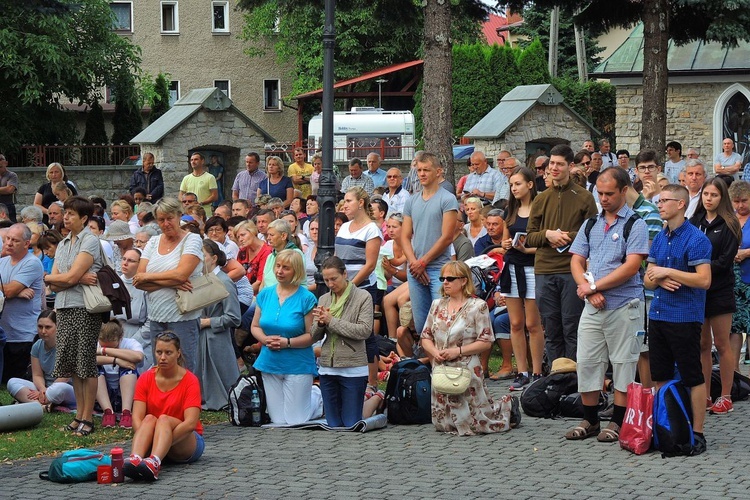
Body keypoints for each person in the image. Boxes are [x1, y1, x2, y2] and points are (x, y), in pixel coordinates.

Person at [565, 167, 649, 442]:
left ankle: (617, 421)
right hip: (593, 305)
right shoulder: (590, 223)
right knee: (587, 361)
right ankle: (589, 420)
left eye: (609, 193)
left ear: (624, 191)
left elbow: (632, 266)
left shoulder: (635, 224)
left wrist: (594, 287)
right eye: (600, 193)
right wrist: (589, 292)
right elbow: (576, 260)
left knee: (624, 363)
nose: (603, 198)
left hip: (625, 305)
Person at [645, 183, 712, 456]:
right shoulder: (660, 236)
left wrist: (665, 272)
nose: (659, 205)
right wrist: (659, 276)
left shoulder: (696, 238)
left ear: (681, 204)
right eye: (658, 201)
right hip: (658, 313)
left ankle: (697, 433)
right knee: (659, 375)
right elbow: (648, 280)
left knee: (691, 376)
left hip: (684, 317)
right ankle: (667, 427)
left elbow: (704, 280)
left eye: (664, 200)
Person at [420, 261, 515, 435]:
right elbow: (425, 336)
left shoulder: (478, 306)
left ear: (464, 281)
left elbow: (486, 342)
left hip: (466, 365)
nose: (445, 282)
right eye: (443, 278)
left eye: (450, 278)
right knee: (443, 425)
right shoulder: (436, 304)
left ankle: (506, 407)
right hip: (441, 366)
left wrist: (457, 351)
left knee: (476, 425)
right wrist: (435, 353)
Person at [526, 144, 597, 363]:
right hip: (544, 270)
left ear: (571, 166)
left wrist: (568, 236)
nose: (554, 168)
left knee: (573, 327)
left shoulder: (584, 197)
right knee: (552, 328)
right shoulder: (540, 198)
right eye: (552, 164)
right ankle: (556, 380)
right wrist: (547, 235)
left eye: (560, 164)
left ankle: (577, 382)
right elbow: (529, 237)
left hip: (571, 271)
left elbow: (593, 233)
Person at [43, 196, 105, 437]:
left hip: (85, 308)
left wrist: (66, 278)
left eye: (70, 214)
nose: (65, 217)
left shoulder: (89, 241)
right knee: (73, 365)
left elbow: (65, 278)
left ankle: (88, 418)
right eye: (65, 213)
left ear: (84, 218)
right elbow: (54, 281)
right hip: (65, 307)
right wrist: (70, 278)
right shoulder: (64, 242)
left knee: (86, 364)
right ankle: (79, 415)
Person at [250, 250, 322, 424]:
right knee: (279, 420)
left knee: (296, 420)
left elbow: (311, 335)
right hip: (270, 361)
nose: (279, 271)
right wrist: (264, 339)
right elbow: (255, 326)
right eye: (278, 266)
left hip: (297, 362)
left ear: (296, 271)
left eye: (286, 268)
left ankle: (318, 396)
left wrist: (287, 343)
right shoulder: (265, 294)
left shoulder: (306, 298)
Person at [134, 198, 204, 373]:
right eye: (161, 219)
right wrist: (173, 283)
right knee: (160, 369)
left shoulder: (192, 239)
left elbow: (181, 274)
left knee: (184, 369)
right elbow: (139, 281)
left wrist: (149, 277)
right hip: (156, 315)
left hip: (183, 316)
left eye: (169, 218)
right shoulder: (153, 242)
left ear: (179, 216)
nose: (165, 223)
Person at [689, 177, 741, 415]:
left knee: (722, 344)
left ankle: (726, 395)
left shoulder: (730, 224)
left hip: (719, 290)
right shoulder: (694, 221)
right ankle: (706, 394)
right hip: (697, 291)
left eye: (714, 195)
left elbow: (725, 261)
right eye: (706, 194)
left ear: (722, 198)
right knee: (702, 344)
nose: (708, 199)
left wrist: (699, 267)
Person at [124, 332, 204, 482]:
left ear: (178, 353)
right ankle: (135, 459)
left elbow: (190, 423)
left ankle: (154, 461)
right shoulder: (146, 378)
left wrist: (162, 443)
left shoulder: (190, 380)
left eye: (168, 353)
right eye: (159, 352)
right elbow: (136, 418)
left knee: (164, 419)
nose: (162, 357)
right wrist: (153, 441)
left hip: (185, 440)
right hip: (156, 437)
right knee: (149, 419)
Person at [311, 256, 373, 427]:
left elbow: (364, 330)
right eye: (326, 280)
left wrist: (331, 321)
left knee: (351, 424)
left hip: (353, 367)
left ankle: (376, 400)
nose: (330, 284)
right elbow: (314, 335)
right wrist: (321, 324)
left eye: (334, 279)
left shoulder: (363, 297)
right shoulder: (324, 299)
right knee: (333, 424)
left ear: (345, 274)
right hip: (327, 368)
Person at [402, 152, 459, 335]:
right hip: (415, 269)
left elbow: (447, 237)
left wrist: (423, 262)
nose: (422, 174)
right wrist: (413, 263)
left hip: (438, 269)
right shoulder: (412, 200)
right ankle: (427, 359)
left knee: (441, 322)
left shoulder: (447, 199)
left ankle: (442, 360)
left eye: (426, 170)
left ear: (438, 172)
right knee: (421, 324)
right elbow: (404, 236)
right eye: (419, 170)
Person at [499, 167, 543, 391]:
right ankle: (522, 370)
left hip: (532, 268)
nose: (514, 188)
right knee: (515, 323)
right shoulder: (511, 209)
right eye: (511, 185)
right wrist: (506, 244)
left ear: (530, 184)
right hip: (513, 268)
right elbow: (505, 241)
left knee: (532, 323)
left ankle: (537, 371)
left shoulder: (540, 208)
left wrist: (529, 250)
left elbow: (545, 242)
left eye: (518, 184)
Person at [335, 186, 383, 393]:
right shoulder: (344, 227)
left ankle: (372, 383)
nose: (344, 205)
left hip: (363, 288)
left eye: (348, 201)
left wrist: (350, 287)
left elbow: (370, 264)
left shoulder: (372, 229)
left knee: (366, 334)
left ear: (361, 203)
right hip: (342, 286)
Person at [197, 240, 241, 410]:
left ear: (214, 258)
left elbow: (234, 317)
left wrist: (209, 322)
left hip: (217, 338)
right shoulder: (201, 279)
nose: (199, 260)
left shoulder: (224, 281)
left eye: (203, 256)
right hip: (202, 336)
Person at [0, 223, 44, 383]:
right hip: (4, 332)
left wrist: (13, 291)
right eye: (7, 239)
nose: (9, 243)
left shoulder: (31, 263)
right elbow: (10, 291)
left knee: (14, 380)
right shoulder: (3, 262)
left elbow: (9, 291)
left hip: (22, 335)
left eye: (15, 240)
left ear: (27, 243)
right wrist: (17, 291)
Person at [6, 310, 76, 409]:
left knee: (58, 388)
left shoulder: (68, 345)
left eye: (48, 327)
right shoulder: (37, 346)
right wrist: (42, 389)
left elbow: (65, 377)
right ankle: (41, 406)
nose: (43, 331)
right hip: (44, 387)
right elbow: (37, 375)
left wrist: (46, 391)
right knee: (12, 382)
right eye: (40, 327)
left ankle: (36, 402)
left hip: (66, 388)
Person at [96, 319, 144, 429]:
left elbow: (138, 357)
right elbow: (86, 360)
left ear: (120, 337)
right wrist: (116, 360)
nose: (108, 349)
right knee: (93, 368)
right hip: (104, 395)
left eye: (112, 347)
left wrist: (104, 351)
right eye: (104, 346)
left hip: (126, 394)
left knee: (128, 366)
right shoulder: (95, 344)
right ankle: (108, 411)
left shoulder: (130, 343)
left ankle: (126, 412)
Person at [118, 248, 152, 368]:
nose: (125, 263)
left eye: (131, 261)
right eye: (124, 259)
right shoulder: (114, 283)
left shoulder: (145, 287)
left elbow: (150, 321)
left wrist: (132, 343)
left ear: (139, 265)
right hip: (113, 336)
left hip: (139, 338)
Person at [729, 181, 750, 368]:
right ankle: (734, 375)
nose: (740, 205)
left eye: (744, 201)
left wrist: (746, 252)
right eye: (736, 201)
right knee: (734, 327)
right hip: (731, 280)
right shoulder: (730, 219)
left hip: (749, 279)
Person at [260, 219, 303, 289]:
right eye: (268, 235)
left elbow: (300, 281)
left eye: (271, 235)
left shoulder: (296, 254)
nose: (268, 238)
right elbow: (263, 282)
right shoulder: (270, 256)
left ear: (283, 236)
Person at [179, 152, 218, 217]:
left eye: (196, 159)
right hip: (189, 214)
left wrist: (201, 203)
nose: (193, 162)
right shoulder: (186, 178)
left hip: (205, 214)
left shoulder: (210, 177)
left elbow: (214, 196)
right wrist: (186, 203)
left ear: (202, 161)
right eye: (191, 160)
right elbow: (181, 194)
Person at [0, 154, 19, 222]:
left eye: (0, 166)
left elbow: (10, 189)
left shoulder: (12, 175)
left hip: (8, 206)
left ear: (6, 163)